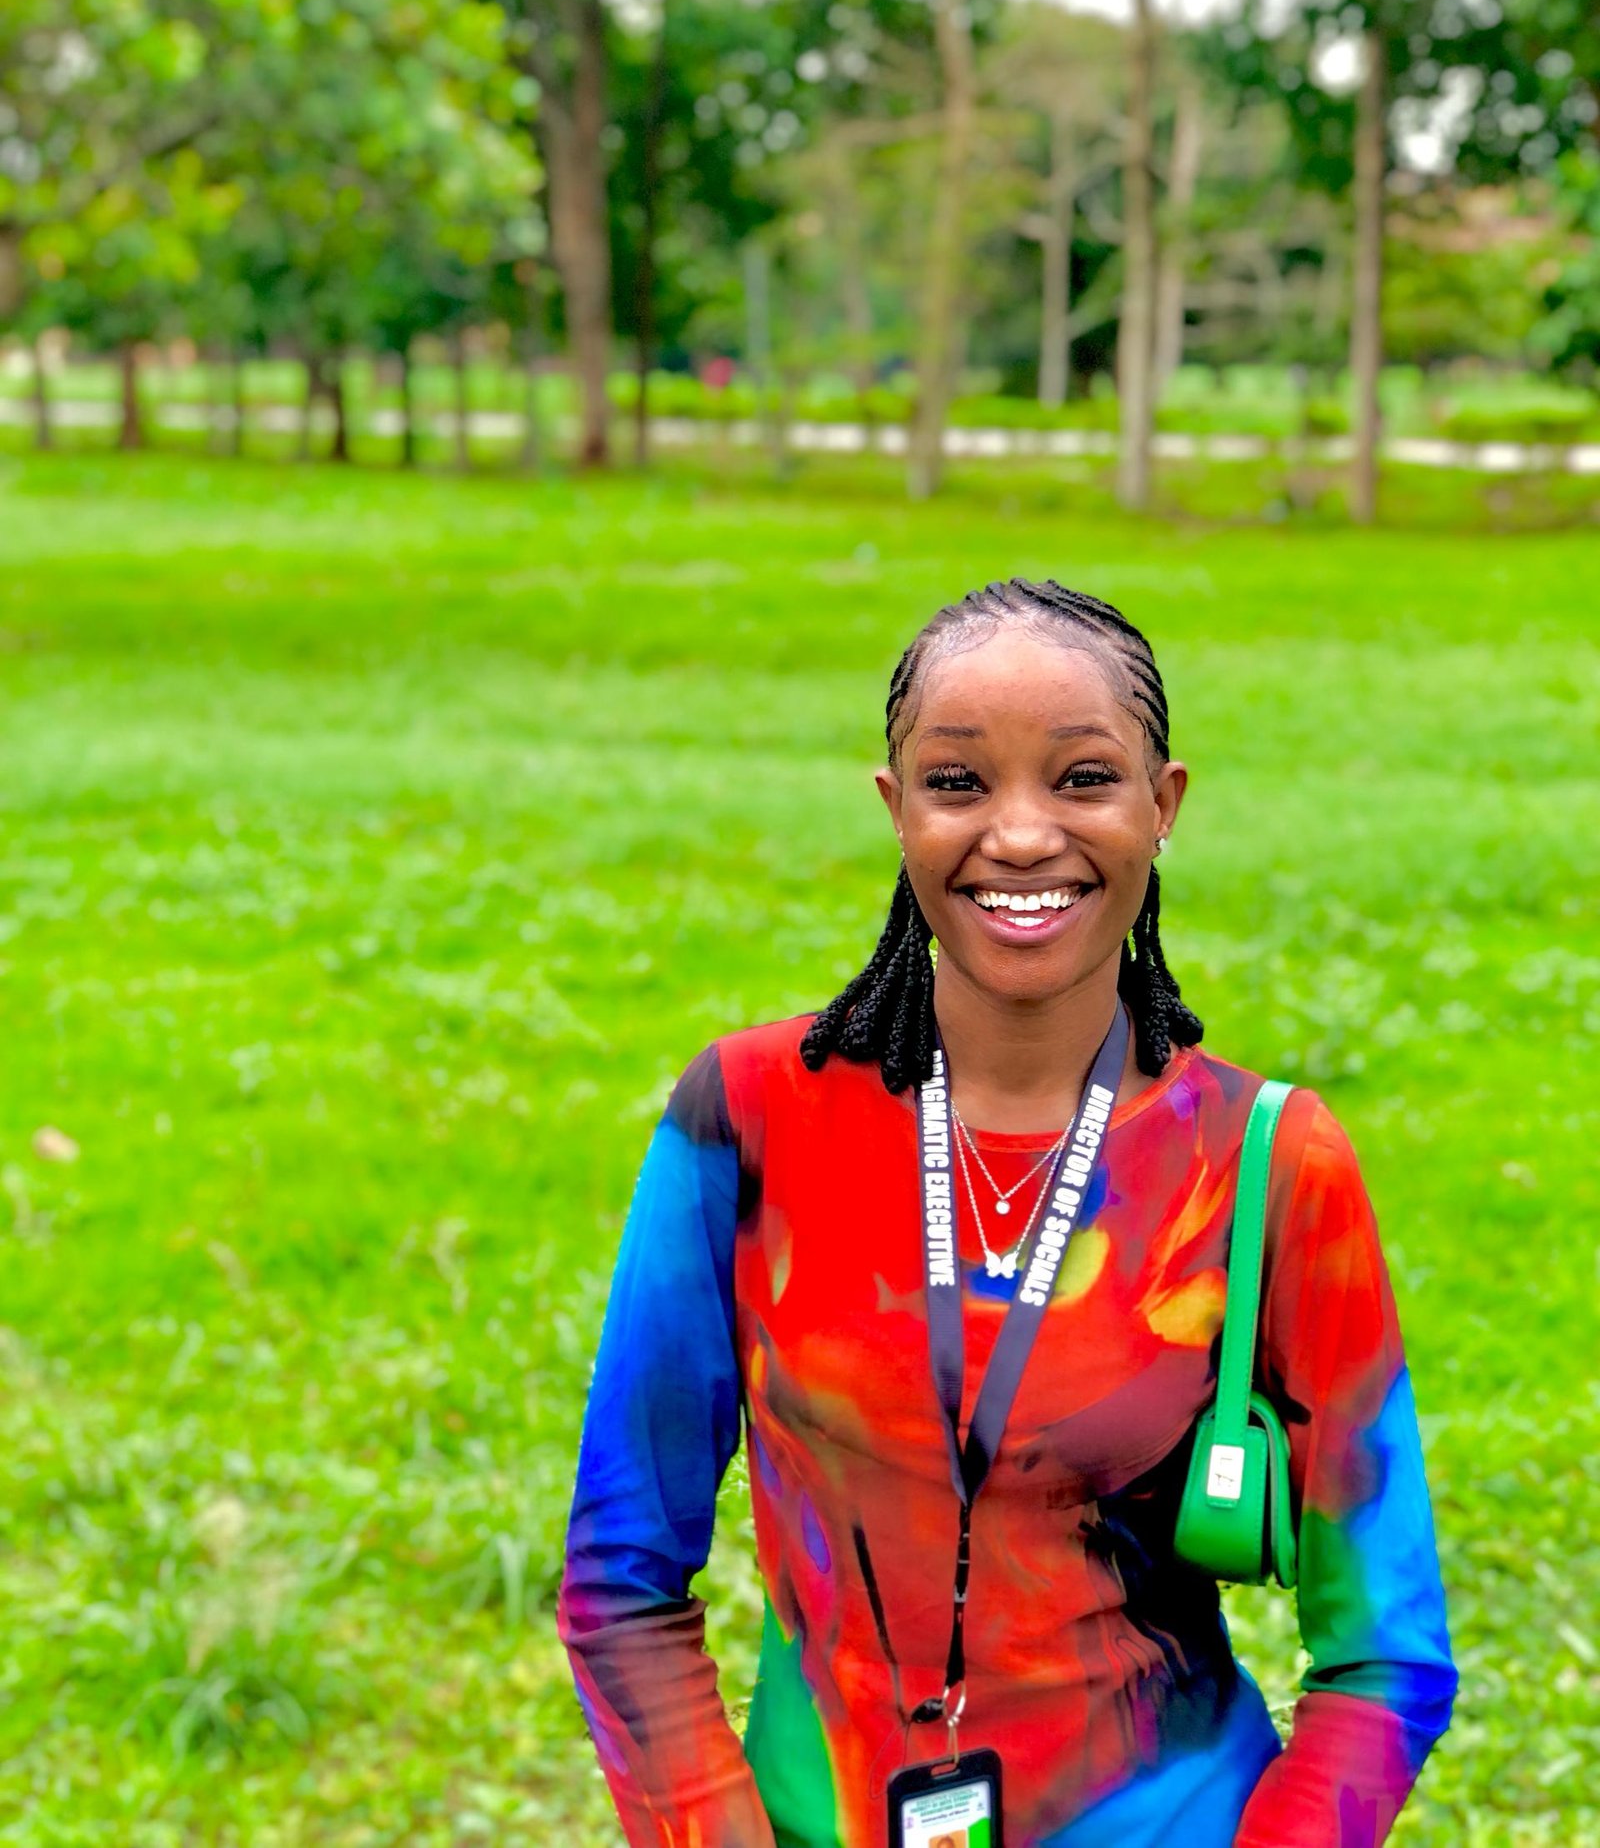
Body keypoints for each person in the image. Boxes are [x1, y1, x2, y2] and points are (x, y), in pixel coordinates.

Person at [559, 579, 1457, 1848]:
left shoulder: (1264, 1160)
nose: (1022, 835)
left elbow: (1385, 1661)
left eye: (1084, 778)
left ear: (1163, 805)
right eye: (959, 782)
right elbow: (621, 1587)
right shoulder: (750, 1118)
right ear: (897, 809)